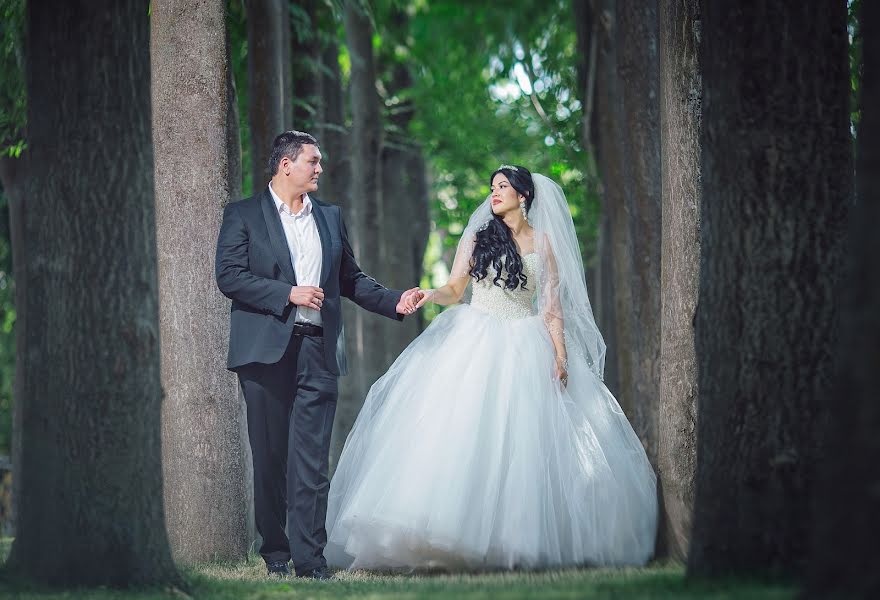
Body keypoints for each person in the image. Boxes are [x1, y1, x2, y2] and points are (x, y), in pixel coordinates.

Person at [324, 166, 658, 571]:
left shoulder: (545, 243)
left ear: (524, 195)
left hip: (526, 342)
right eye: (493, 187)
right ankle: (441, 537)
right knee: (460, 432)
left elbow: (550, 308)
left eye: (503, 187)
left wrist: (560, 356)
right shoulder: (479, 237)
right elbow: (455, 290)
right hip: (475, 338)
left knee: (523, 442)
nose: (494, 193)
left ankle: (513, 541)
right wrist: (429, 294)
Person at [215, 131, 421, 580]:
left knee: (311, 462)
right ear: (285, 165)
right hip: (263, 352)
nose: (319, 169)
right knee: (270, 458)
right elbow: (228, 276)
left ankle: (311, 562)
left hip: (318, 349)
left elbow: (351, 278)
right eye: (313, 161)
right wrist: (287, 292)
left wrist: (393, 301)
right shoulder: (244, 215)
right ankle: (275, 554)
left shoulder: (329, 217)